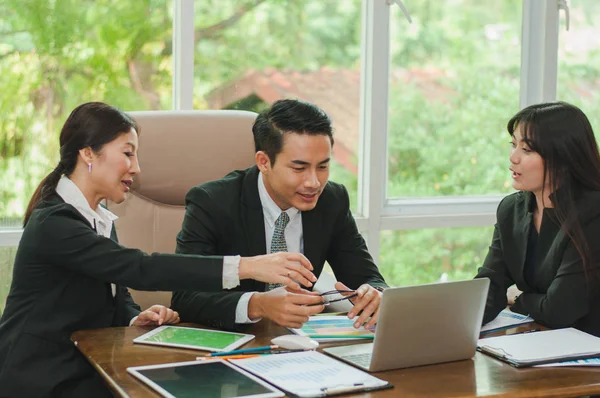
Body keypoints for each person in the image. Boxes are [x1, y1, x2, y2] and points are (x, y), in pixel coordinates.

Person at [0, 102, 317, 398]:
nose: (136, 168)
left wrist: (137, 317)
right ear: (88, 154)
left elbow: (114, 294)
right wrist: (247, 266)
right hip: (41, 378)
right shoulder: (55, 222)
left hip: (87, 366)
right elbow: (140, 268)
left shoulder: (96, 218)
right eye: (128, 153)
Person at [172, 99, 388, 331]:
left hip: (300, 343)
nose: (314, 183)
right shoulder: (213, 202)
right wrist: (258, 304)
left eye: (323, 166)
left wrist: (375, 293)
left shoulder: (332, 201)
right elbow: (185, 298)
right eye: (299, 168)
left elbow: (367, 277)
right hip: (233, 342)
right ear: (264, 162)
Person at [475, 101, 600, 337]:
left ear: (563, 156)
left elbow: (560, 309)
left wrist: (519, 299)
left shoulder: (593, 212)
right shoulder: (510, 209)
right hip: (539, 344)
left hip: (588, 353)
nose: (513, 158)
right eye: (513, 145)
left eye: (527, 149)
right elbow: (489, 288)